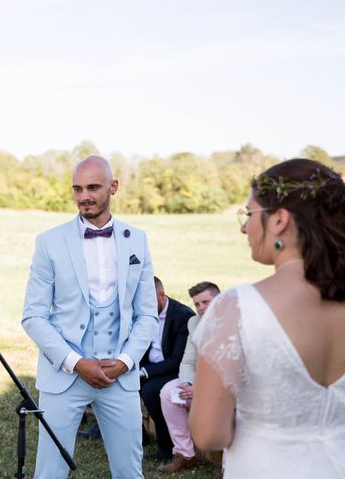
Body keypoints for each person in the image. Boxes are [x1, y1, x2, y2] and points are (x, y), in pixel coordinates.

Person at [190, 158, 345, 478]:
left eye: (249, 214)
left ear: (279, 221)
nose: (244, 227)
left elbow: (209, 434)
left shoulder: (238, 307)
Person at [22, 155, 158, 479]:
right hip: (65, 376)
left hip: (119, 377)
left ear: (113, 187)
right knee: (49, 473)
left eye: (93, 187)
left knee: (129, 472)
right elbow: (33, 316)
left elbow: (147, 314)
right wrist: (75, 362)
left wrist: (126, 361)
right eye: (77, 189)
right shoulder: (49, 242)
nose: (84, 196)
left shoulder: (137, 239)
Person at [157, 281, 220, 473]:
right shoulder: (194, 323)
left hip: (226, 388)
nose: (201, 308)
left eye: (206, 302)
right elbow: (187, 362)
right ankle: (185, 454)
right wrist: (187, 383)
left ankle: (229, 467)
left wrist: (200, 389)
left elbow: (230, 370)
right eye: (197, 304)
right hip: (199, 382)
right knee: (168, 392)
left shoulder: (234, 323)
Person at [138, 276, 194, 463]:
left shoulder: (182, 316)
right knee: (122, 383)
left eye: (150, 301)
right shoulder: (142, 313)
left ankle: (166, 447)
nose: (145, 306)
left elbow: (177, 360)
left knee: (150, 390)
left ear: (162, 295)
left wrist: (144, 372)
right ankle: (139, 437)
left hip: (172, 370)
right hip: (149, 367)